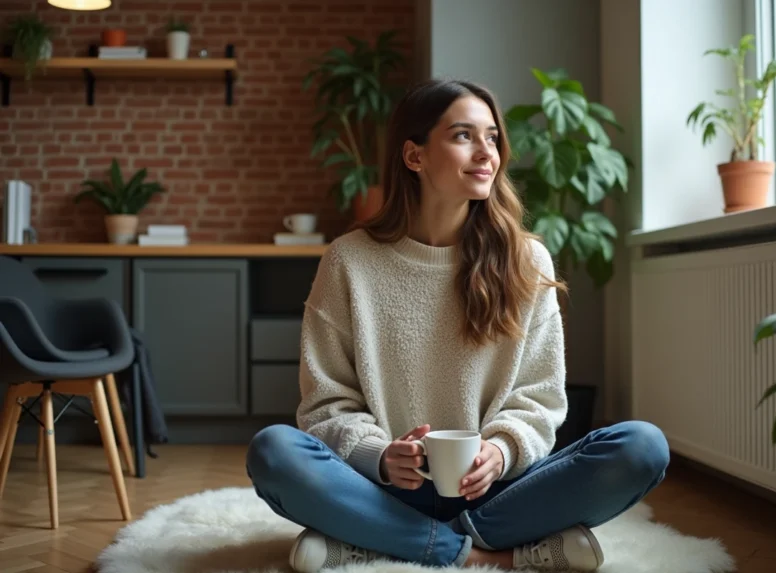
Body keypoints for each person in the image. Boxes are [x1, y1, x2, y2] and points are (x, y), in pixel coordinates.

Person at [245, 78, 670, 573]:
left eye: (492, 137)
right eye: (463, 135)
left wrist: (501, 450)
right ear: (414, 156)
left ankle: (380, 543)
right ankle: (485, 554)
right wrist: (381, 455)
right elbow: (327, 401)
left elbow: (540, 396)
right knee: (274, 451)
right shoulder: (349, 262)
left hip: (502, 491)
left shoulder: (526, 259)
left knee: (642, 447)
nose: (486, 152)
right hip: (384, 490)